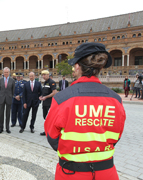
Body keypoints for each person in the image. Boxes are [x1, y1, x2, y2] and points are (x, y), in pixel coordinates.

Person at [45, 42, 126, 180]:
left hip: (71, 173)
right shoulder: (115, 99)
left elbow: (52, 137)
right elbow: (116, 135)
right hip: (106, 173)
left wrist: (73, 148)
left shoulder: (62, 98)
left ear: (77, 66)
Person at [39, 70, 57, 136]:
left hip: (50, 103)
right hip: (44, 103)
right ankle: (47, 130)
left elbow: (54, 92)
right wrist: (41, 96)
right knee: (45, 117)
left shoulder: (52, 82)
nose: (43, 76)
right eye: (42, 75)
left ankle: (50, 131)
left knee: (50, 118)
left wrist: (46, 97)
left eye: (44, 75)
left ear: (48, 75)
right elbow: (44, 92)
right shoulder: (45, 83)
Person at [0, 67, 15, 134]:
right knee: (1, 114)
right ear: (3, 73)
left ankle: (7, 128)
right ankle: (1, 128)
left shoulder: (12, 80)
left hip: (9, 99)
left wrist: (10, 96)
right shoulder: (0, 80)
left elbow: (13, 90)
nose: (6, 73)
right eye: (5, 72)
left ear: (9, 73)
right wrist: (1, 95)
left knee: (8, 114)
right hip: (1, 99)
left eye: (7, 72)